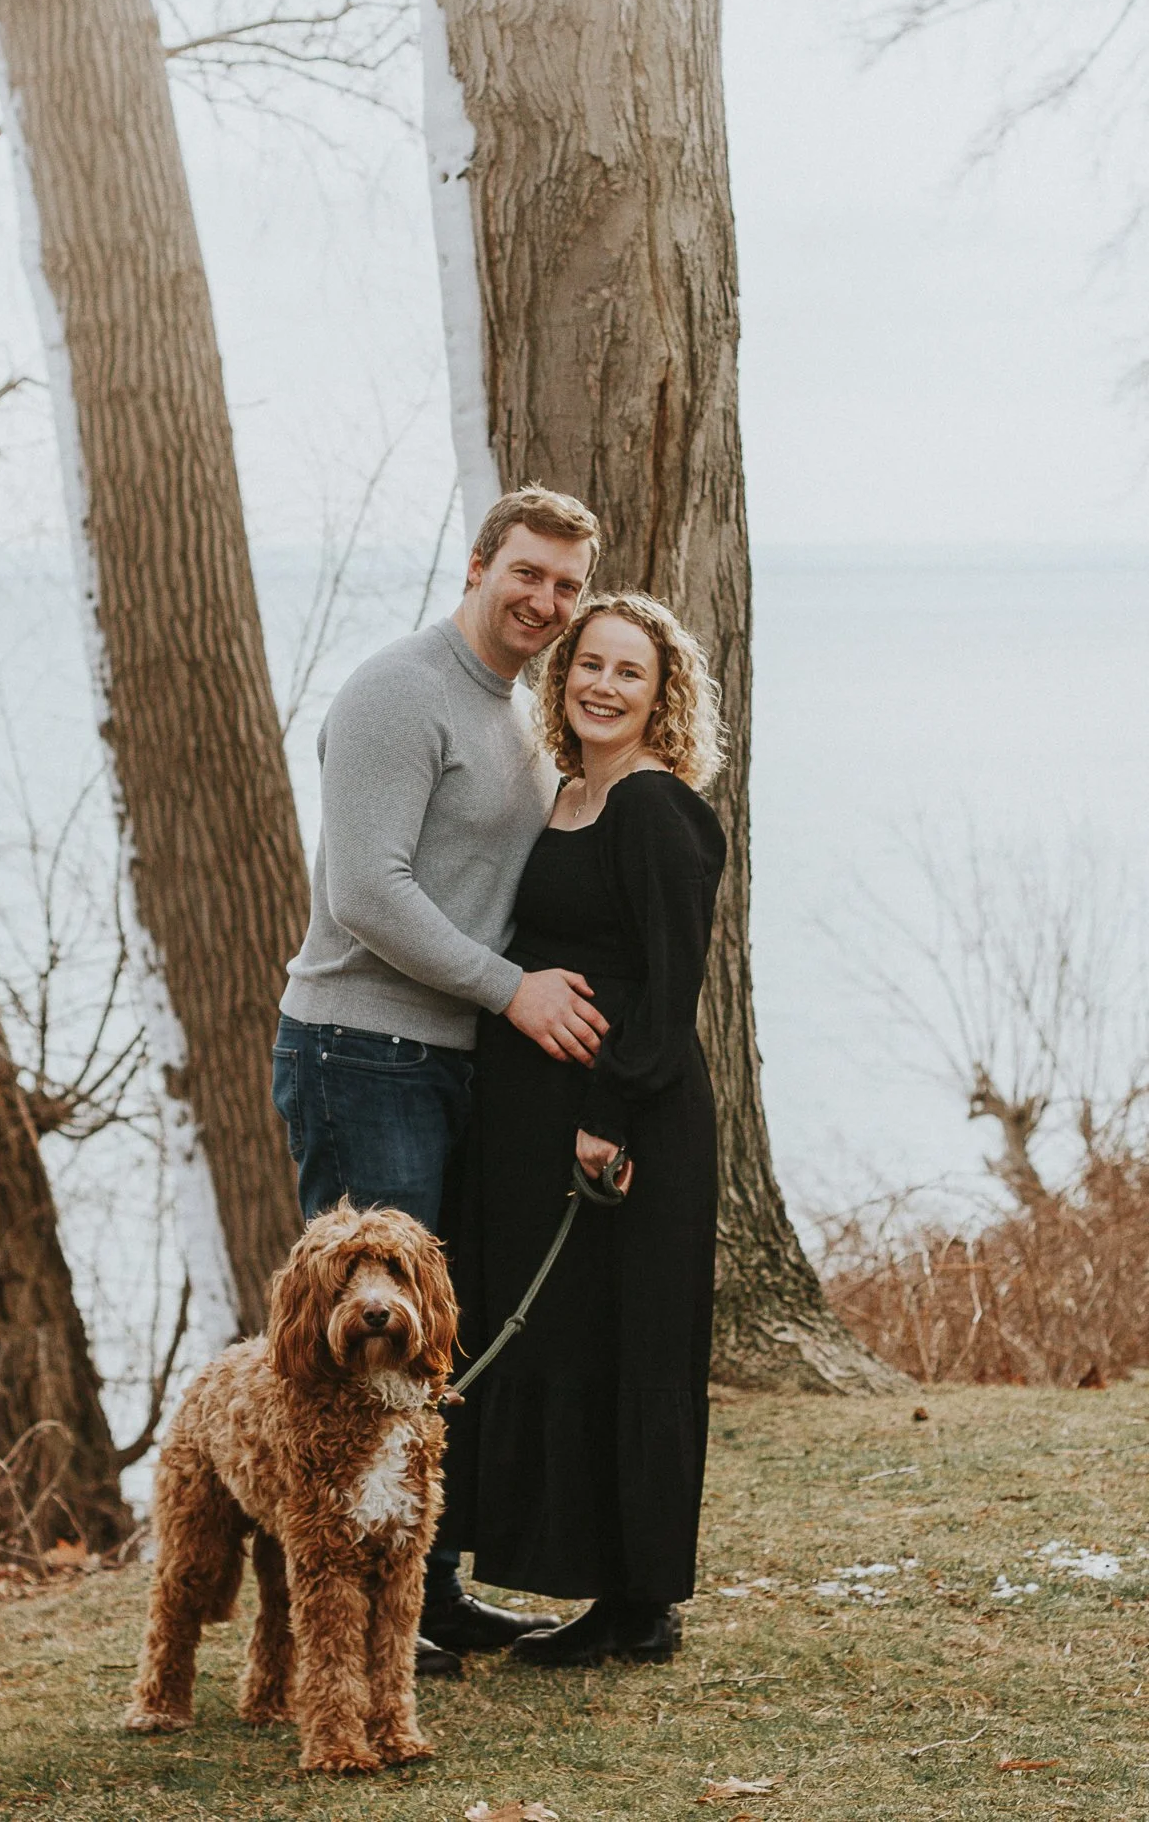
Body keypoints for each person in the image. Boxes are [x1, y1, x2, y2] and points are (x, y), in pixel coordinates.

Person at [272, 483, 607, 1671]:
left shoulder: (514, 711)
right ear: (478, 564)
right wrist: (509, 986)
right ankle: (328, 1608)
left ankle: (428, 1588)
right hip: (361, 1052)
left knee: (424, 1346)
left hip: (457, 1061)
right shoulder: (395, 692)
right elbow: (367, 890)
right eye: (527, 572)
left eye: (566, 586)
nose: (544, 601)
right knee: (345, 1344)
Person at [441, 591, 727, 1667]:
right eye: (587, 666)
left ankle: (640, 1606)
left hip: (625, 1130)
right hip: (538, 1126)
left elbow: (669, 984)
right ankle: (594, 1588)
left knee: (634, 1353)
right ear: (562, 680)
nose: (601, 685)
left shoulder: (653, 807)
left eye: (627, 673)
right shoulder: (564, 794)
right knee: (568, 1350)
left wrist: (606, 1116)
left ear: (662, 698)